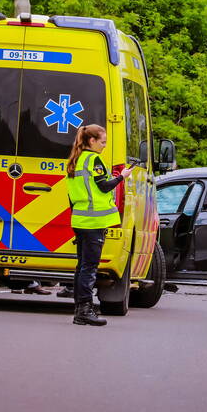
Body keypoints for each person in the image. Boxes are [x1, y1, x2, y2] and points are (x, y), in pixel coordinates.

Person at [65, 124, 132, 326]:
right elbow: (104, 186)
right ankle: (85, 310)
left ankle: (80, 310)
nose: (104, 146)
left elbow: (72, 196)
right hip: (94, 221)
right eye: (102, 142)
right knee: (89, 267)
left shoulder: (75, 160)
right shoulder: (94, 160)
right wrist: (122, 176)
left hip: (80, 220)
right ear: (92, 141)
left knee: (82, 267)